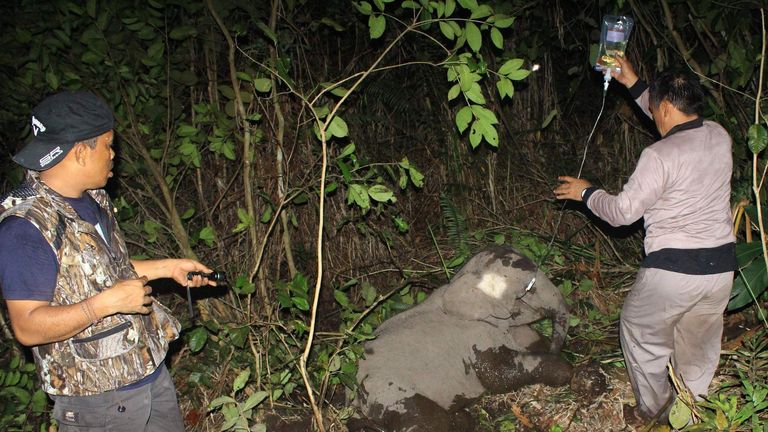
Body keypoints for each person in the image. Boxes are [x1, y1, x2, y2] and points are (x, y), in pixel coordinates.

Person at [0, 91, 217, 431]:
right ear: (81, 152)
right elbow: (27, 327)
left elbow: (104, 269)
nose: (114, 155)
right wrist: (104, 304)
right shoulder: (25, 229)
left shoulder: (91, 198)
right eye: (107, 145)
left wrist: (168, 268)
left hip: (148, 371)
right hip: (96, 402)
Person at [553, 56, 736, 426]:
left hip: (673, 273)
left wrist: (588, 193)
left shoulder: (658, 156)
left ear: (665, 107)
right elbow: (666, 115)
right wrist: (632, 82)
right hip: (720, 270)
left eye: (654, 105)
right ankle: (689, 409)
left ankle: (651, 410)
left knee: (639, 331)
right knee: (697, 342)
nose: (651, 111)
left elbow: (622, 213)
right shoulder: (719, 136)